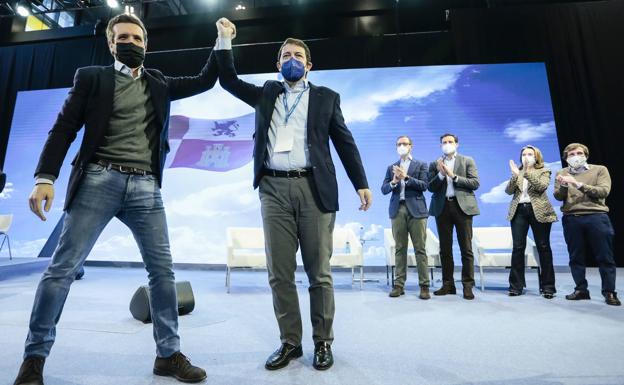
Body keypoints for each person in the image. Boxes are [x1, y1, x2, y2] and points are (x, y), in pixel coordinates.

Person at [13, 13, 219, 385]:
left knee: (163, 273)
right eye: (122, 37)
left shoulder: (157, 82)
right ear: (111, 44)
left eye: (137, 38)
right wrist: (45, 177)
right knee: (60, 271)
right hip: (98, 179)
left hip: (145, 189)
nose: (130, 43)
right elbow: (63, 128)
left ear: (146, 44)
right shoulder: (92, 78)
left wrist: (222, 40)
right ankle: (34, 360)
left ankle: (168, 355)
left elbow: (205, 79)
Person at [213, 18, 372, 371]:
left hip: (313, 189)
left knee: (320, 273)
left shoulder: (327, 98)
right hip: (273, 189)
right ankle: (290, 342)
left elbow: (345, 142)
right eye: (285, 55)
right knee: (279, 274)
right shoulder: (267, 92)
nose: (291, 59)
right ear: (277, 63)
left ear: (309, 65)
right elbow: (228, 80)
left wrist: (360, 182)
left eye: (298, 55)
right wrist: (225, 41)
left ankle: (323, 342)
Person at [554, 143, 620, 306]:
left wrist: (577, 183)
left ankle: (609, 291)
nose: (575, 156)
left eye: (579, 153)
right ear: (566, 158)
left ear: (586, 155)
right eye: (571, 154)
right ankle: (581, 290)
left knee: (605, 256)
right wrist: (563, 185)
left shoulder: (599, 170)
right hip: (572, 217)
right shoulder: (562, 172)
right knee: (575, 256)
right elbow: (558, 196)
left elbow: (603, 191)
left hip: (596, 216)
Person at [427, 133, 480, 300]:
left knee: (466, 248)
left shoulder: (467, 160)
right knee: (445, 249)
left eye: (450, 142)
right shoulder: (435, 164)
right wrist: (441, 174)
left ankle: (467, 286)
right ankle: (448, 284)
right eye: (444, 142)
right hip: (442, 207)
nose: (447, 144)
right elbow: (430, 187)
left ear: (457, 144)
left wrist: (453, 176)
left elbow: (475, 183)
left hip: (462, 207)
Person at [381, 135, 430, 299]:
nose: (402, 146)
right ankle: (399, 285)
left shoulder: (421, 164)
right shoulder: (391, 167)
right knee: (400, 248)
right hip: (397, 210)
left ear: (411, 146)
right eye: (399, 144)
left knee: (420, 249)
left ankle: (424, 286)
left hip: (417, 210)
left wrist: (406, 178)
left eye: (405, 144)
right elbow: (384, 189)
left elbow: (424, 186)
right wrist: (394, 181)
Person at [505, 145, 557, 298]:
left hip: (539, 211)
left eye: (529, 154)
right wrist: (515, 175)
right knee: (518, 248)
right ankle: (516, 286)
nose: (526, 157)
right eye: (523, 154)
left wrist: (527, 173)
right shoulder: (518, 172)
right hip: (519, 211)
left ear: (536, 157)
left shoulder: (544, 171)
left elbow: (541, 187)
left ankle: (548, 287)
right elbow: (508, 191)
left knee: (543, 246)